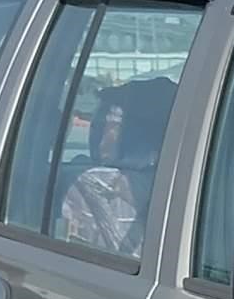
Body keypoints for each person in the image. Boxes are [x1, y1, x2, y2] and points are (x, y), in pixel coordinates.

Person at [57, 75, 177, 255]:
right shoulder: (184, 183)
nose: (95, 130)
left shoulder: (90, 179)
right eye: (96, 121)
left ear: (136, 131)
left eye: (107, 121)